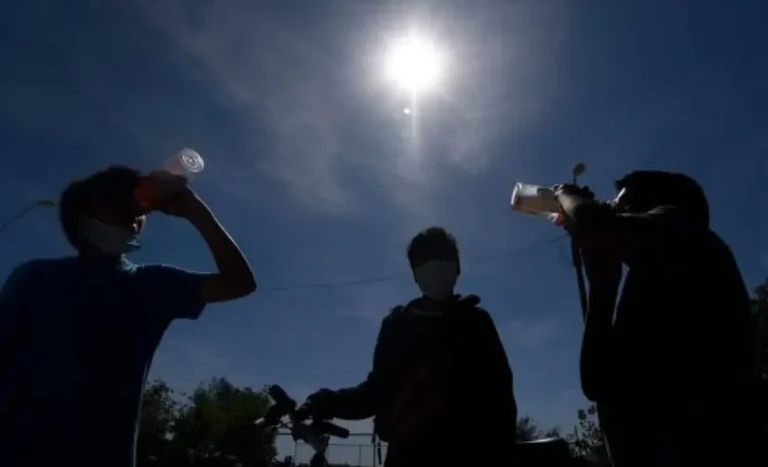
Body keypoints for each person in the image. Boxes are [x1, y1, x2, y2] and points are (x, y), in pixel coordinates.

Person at [0, 165, 257, 467]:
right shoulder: (35, 277)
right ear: (83, 215)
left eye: (137, 209)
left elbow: (239, 283)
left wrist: (196, 212)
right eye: (117, 202)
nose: (134, 218)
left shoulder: (151, 285)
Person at [555, 170, 760, 466]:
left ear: (659, 205)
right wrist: (603, 287)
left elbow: (595, 225)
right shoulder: (647, 279)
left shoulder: (684, 230)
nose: (613, 207)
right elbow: (597, 384)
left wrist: (565, 194)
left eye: (623, 202)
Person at [304, 226, 517, 467]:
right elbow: (375, 392)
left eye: (442, 257)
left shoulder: (476, 322)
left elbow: (501, 402)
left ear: (457, 267)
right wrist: (324, 402)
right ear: (415, 274)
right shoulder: (397, 325)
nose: (435, 265)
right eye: (425, 259)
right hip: (406, 457)